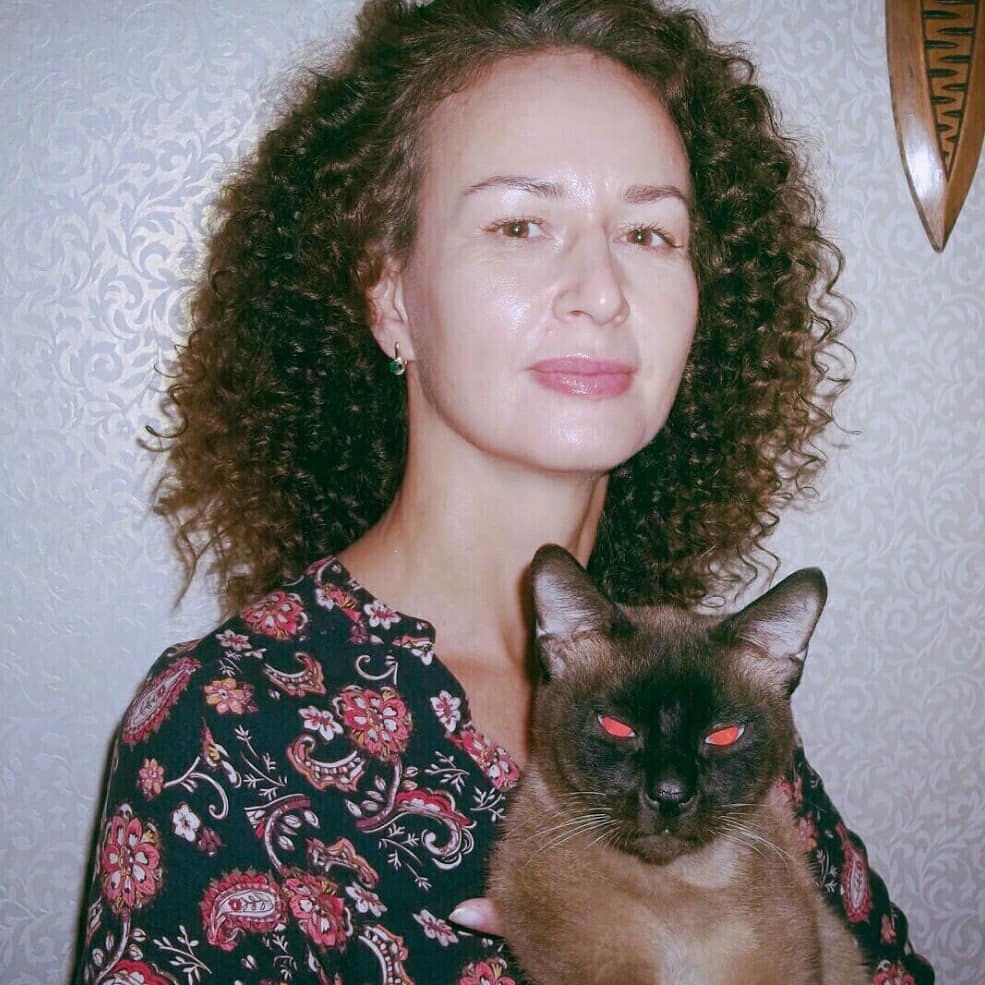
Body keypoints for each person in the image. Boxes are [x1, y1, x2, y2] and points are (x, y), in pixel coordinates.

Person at [71, 1, 934, 983]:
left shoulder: (699, 690)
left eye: (648, 233)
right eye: (520, 224)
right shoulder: (223, 727)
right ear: (390, 293)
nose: (601, 290)